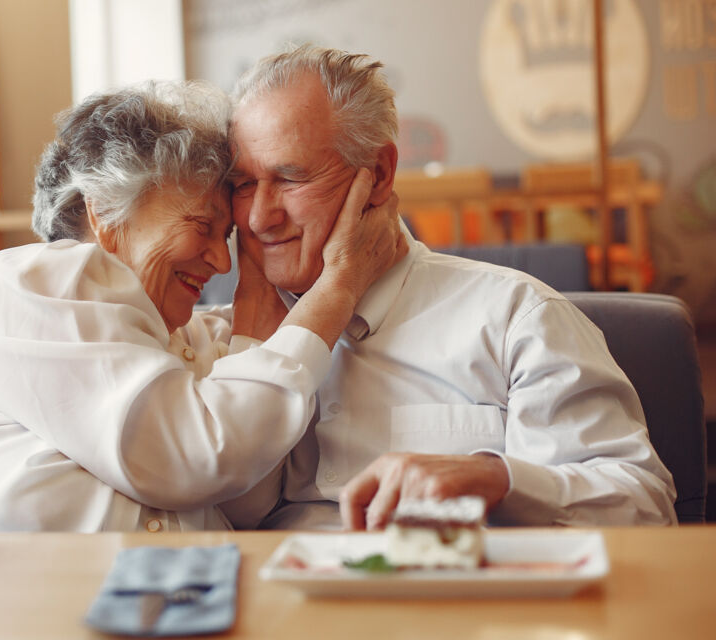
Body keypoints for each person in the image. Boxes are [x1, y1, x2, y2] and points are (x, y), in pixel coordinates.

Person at [0, 80, 404, 532]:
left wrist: (253, 332)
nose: (221, 261)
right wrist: (336, 291)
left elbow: (245, 497)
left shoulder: (190, 339)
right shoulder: (35, 280)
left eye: (229, 237)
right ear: (106, 215)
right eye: (202, 227)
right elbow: (196, 455)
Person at [221, 44, 677, 529]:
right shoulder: (219, 338)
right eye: (243, 184)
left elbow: (646, 507)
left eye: (289, 177)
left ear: (378, 175)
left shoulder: (516, 317)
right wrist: (251, 339)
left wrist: (495, 478)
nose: (258, 217)